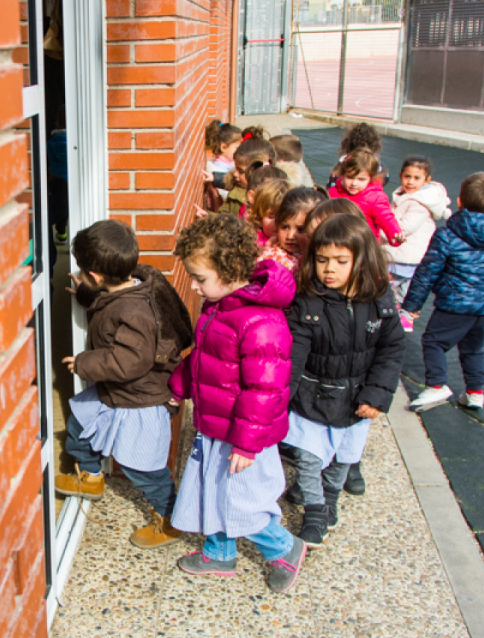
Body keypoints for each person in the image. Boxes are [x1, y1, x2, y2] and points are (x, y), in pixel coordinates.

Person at [167, 214, 307, 592]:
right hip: (217, 424)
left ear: (229, 272)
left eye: (200, 278)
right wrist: (181, 384)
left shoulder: (260, 322)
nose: (194, 287)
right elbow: (204, 358)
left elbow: (264, 389)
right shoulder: (221, 305)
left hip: (242, 435)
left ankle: (284, 548)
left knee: (240, 501)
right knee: (212, 489)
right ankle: (219, 552)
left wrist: (246, 443)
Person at [54, 220, 195, 548]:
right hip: (118, 392)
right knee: (79, 425)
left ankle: (170, 518)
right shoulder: (135, 283)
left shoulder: (135, 313)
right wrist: (88, 295)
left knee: (142, 467)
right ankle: (90, 476)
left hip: (139, 400)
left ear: (97, 275)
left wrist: (84, 364)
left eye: (85, 274)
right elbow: (110, 304)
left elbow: (130, 360)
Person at [283, 214, 406, 547]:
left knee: (343, 456)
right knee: (308, 457)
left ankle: (331, 496)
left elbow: (392, 347)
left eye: (340, 261)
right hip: (312, 394)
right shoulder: (308, 301)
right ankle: (314, 509)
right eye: (322, 260)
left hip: (355, 397)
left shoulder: (379, 299)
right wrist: (281, 400)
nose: (329, 269)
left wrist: (378, 393)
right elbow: (294, 354)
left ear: (361, 260)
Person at [404, 172, 484, 413]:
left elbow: (427, 272)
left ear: (459, 201)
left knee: (433, 341)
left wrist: (412, 305)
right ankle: (475, 391)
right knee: (473, 347)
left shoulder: (448, 235)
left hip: (455, 303)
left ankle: (437, 384)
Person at [385, 155, 452, 332]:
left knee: (405, 290)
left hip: (408, 256)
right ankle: (396, 317)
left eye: (416, 178)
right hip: (399, 254)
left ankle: (404, 319)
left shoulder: (420, 202)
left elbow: (403, 228)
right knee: (395, 289)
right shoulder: (403, 195)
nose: (411, 182)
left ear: (426, 180)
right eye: (407, 176)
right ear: (400, 175)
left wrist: (380, 230)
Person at [328, 149, 405, 247]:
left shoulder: (375, 197)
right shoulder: (334, 191)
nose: (354, 183)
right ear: (343, 174)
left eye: (361, 179)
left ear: (371, 178)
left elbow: (386, 218)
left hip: (364, 246)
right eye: (350, 177)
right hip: (337, 243)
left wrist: (394, 234)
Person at [259, 186, 327, 274]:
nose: (290, 236)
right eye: (285, 227)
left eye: (300, 229)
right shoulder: (271, 259)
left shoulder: (320, 258)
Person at [217, 135, 277, 218]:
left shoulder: (274, 199)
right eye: (235, 168)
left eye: (241, 171)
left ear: (258, 171)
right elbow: (222, 216)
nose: (235, 174)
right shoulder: (236, 190)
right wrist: (208, 217)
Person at [328, 123, 386, 189]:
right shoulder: (376, 164)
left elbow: (331, 182)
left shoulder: (344, 161)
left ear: (348, 145)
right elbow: (385, 178)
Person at [246, 175, 292, 247]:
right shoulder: (253, 243)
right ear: (259, 218)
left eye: (283, 216)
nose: (277, 222)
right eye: (271, 216)